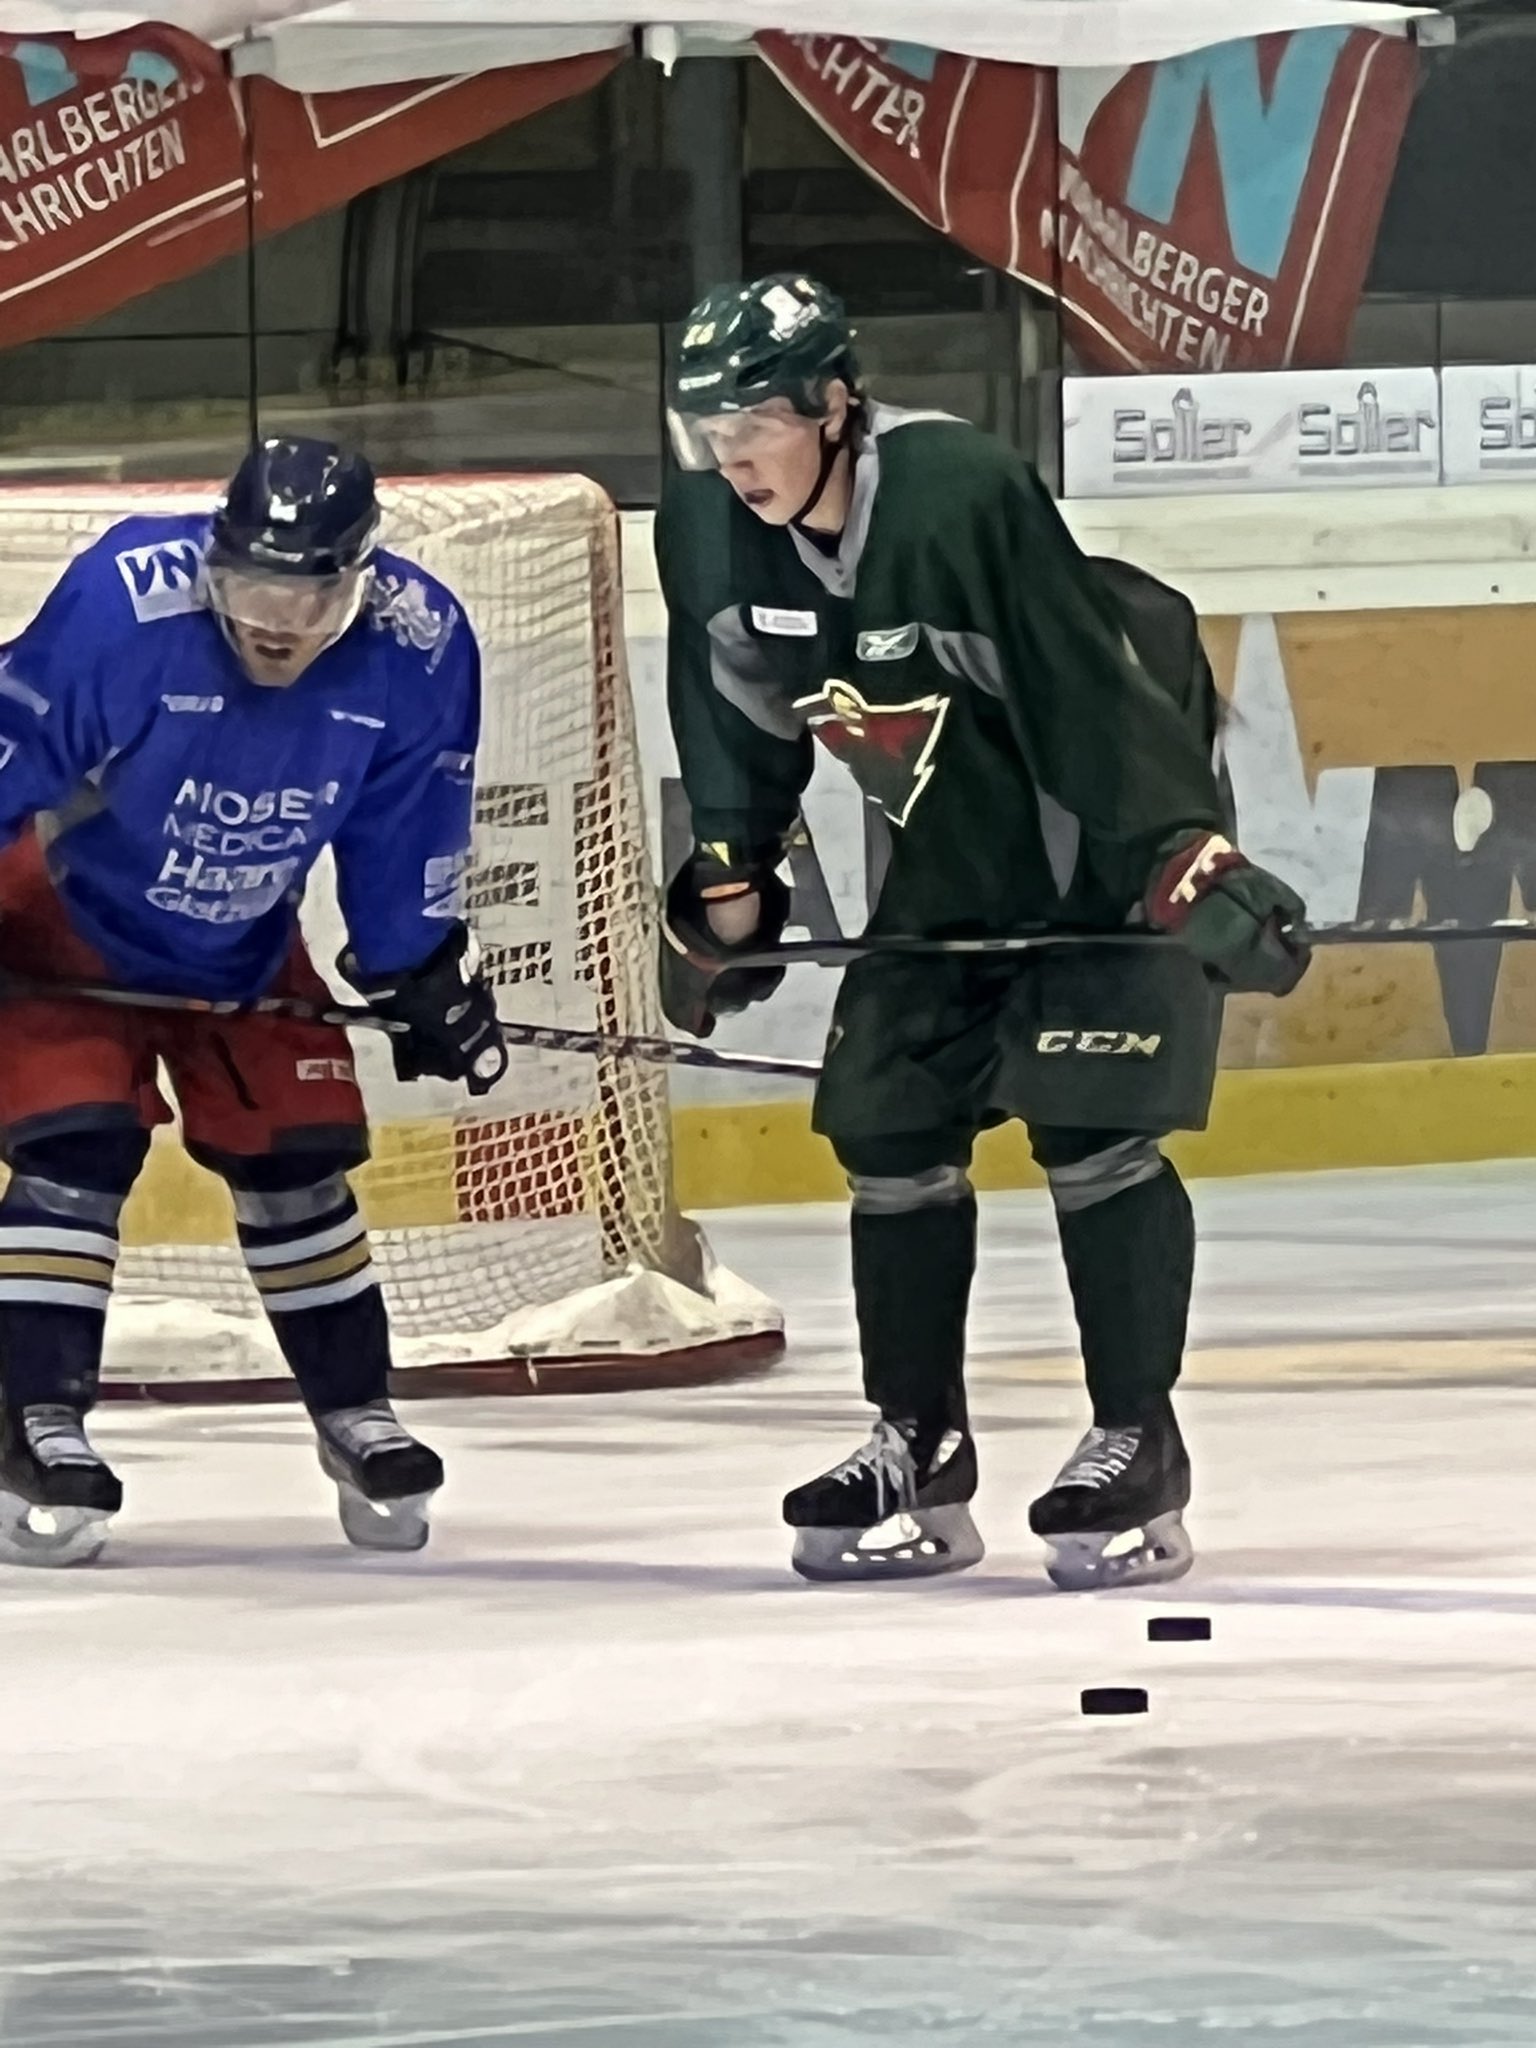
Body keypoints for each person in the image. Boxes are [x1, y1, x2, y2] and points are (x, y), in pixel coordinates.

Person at [657, 274, 1309, 1590]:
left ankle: (1138, 1436)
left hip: (1094, 854)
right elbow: (735, 712)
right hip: (946, 870)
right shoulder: (711, 534)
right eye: (707, 430)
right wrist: (731, 873)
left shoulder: (957, 493)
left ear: (835, 406)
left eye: (757, 424)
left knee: (1090, 1127)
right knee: (886, 1121)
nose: (731, 456)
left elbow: (1083, 688)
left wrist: (1183, 851)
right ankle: (918, 1438)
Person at [0, 436, 507, 1567]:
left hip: (238, 940)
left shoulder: (418, 651)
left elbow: (406, 827)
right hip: (61, 920)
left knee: (297, 1154)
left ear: (359, 582)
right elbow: (8, 753)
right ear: (214, 565)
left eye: (309, 593)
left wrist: (414, 966)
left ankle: (356, 1410)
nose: (277, 621)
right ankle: (40, 1417)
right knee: (74, 1150)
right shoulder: (121, 607)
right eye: (254, 588)